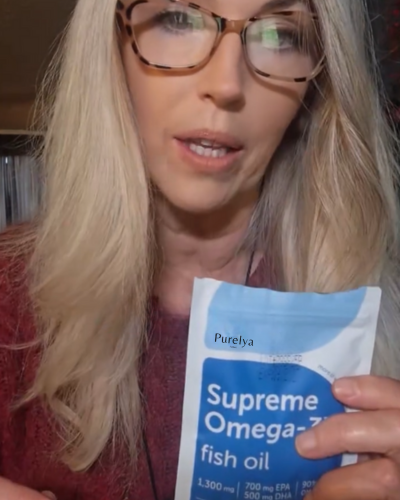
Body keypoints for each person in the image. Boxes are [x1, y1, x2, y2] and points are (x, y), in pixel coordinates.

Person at [1, 0, 400, 498]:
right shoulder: (9, 294)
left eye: (278, 34)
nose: (226, 84)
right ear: (111, 45)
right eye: (179, 17)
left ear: (318, 84)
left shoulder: (375, 311)